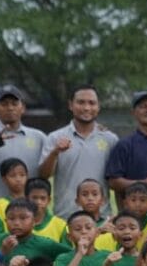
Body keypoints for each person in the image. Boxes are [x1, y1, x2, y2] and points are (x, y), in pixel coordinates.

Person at [39, 85, 120, 219]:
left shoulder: (110, 139)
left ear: (98, 106)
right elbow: (43, 175)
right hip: (65, 217)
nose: (87, 108)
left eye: (92, 103)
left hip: (102, 218)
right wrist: (55, 152)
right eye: (81, 102)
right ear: (71, 105)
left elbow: (116, 181)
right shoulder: (55, 137)